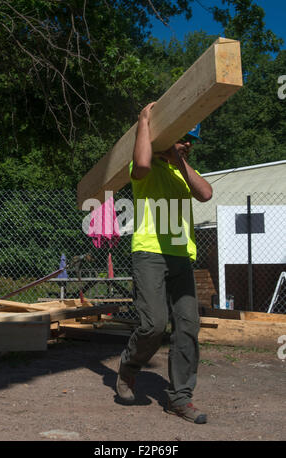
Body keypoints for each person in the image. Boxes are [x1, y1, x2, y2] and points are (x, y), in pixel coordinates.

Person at [116, 102, 213, 424]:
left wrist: (179, 160)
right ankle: (129, 368)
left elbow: (206, 194)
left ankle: (180, 398)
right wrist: (144, 119)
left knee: (188, 326)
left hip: (181, 256)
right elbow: (141, 164)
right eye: (181, 137)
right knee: (153, 324)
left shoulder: (181, 171)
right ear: (166, 136)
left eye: (190, 140)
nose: (186, 143)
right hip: (149, 253)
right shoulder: (146, 169)